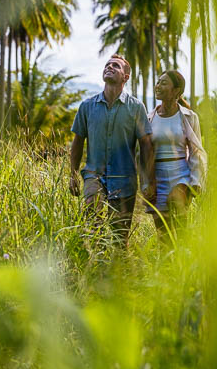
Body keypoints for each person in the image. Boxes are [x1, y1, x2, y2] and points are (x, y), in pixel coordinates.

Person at [69, 54, 155, 242]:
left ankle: (119, 269)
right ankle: (94, 268)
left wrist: (147, 179)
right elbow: (77, 143)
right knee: (93, 230)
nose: (109, 67)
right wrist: (73, 175)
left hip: (124, 179)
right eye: (107, 65)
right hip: (94, 175)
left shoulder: (135, 107)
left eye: (115, 66)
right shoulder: (87, 106)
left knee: (119, 238)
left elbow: (146, 146)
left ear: (125, 77)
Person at [143, 69, 207, 232]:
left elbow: (195, 152)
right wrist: (147, 183)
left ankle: (186, 256)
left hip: (181, 177)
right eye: (158, 82)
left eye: (164, 83)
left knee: (179, 228)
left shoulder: (189, 117)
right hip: (157, 180)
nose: (158, 86)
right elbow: (144, 154)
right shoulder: (150, 118)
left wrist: (195, 182)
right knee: (164, 236)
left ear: (176, 91)